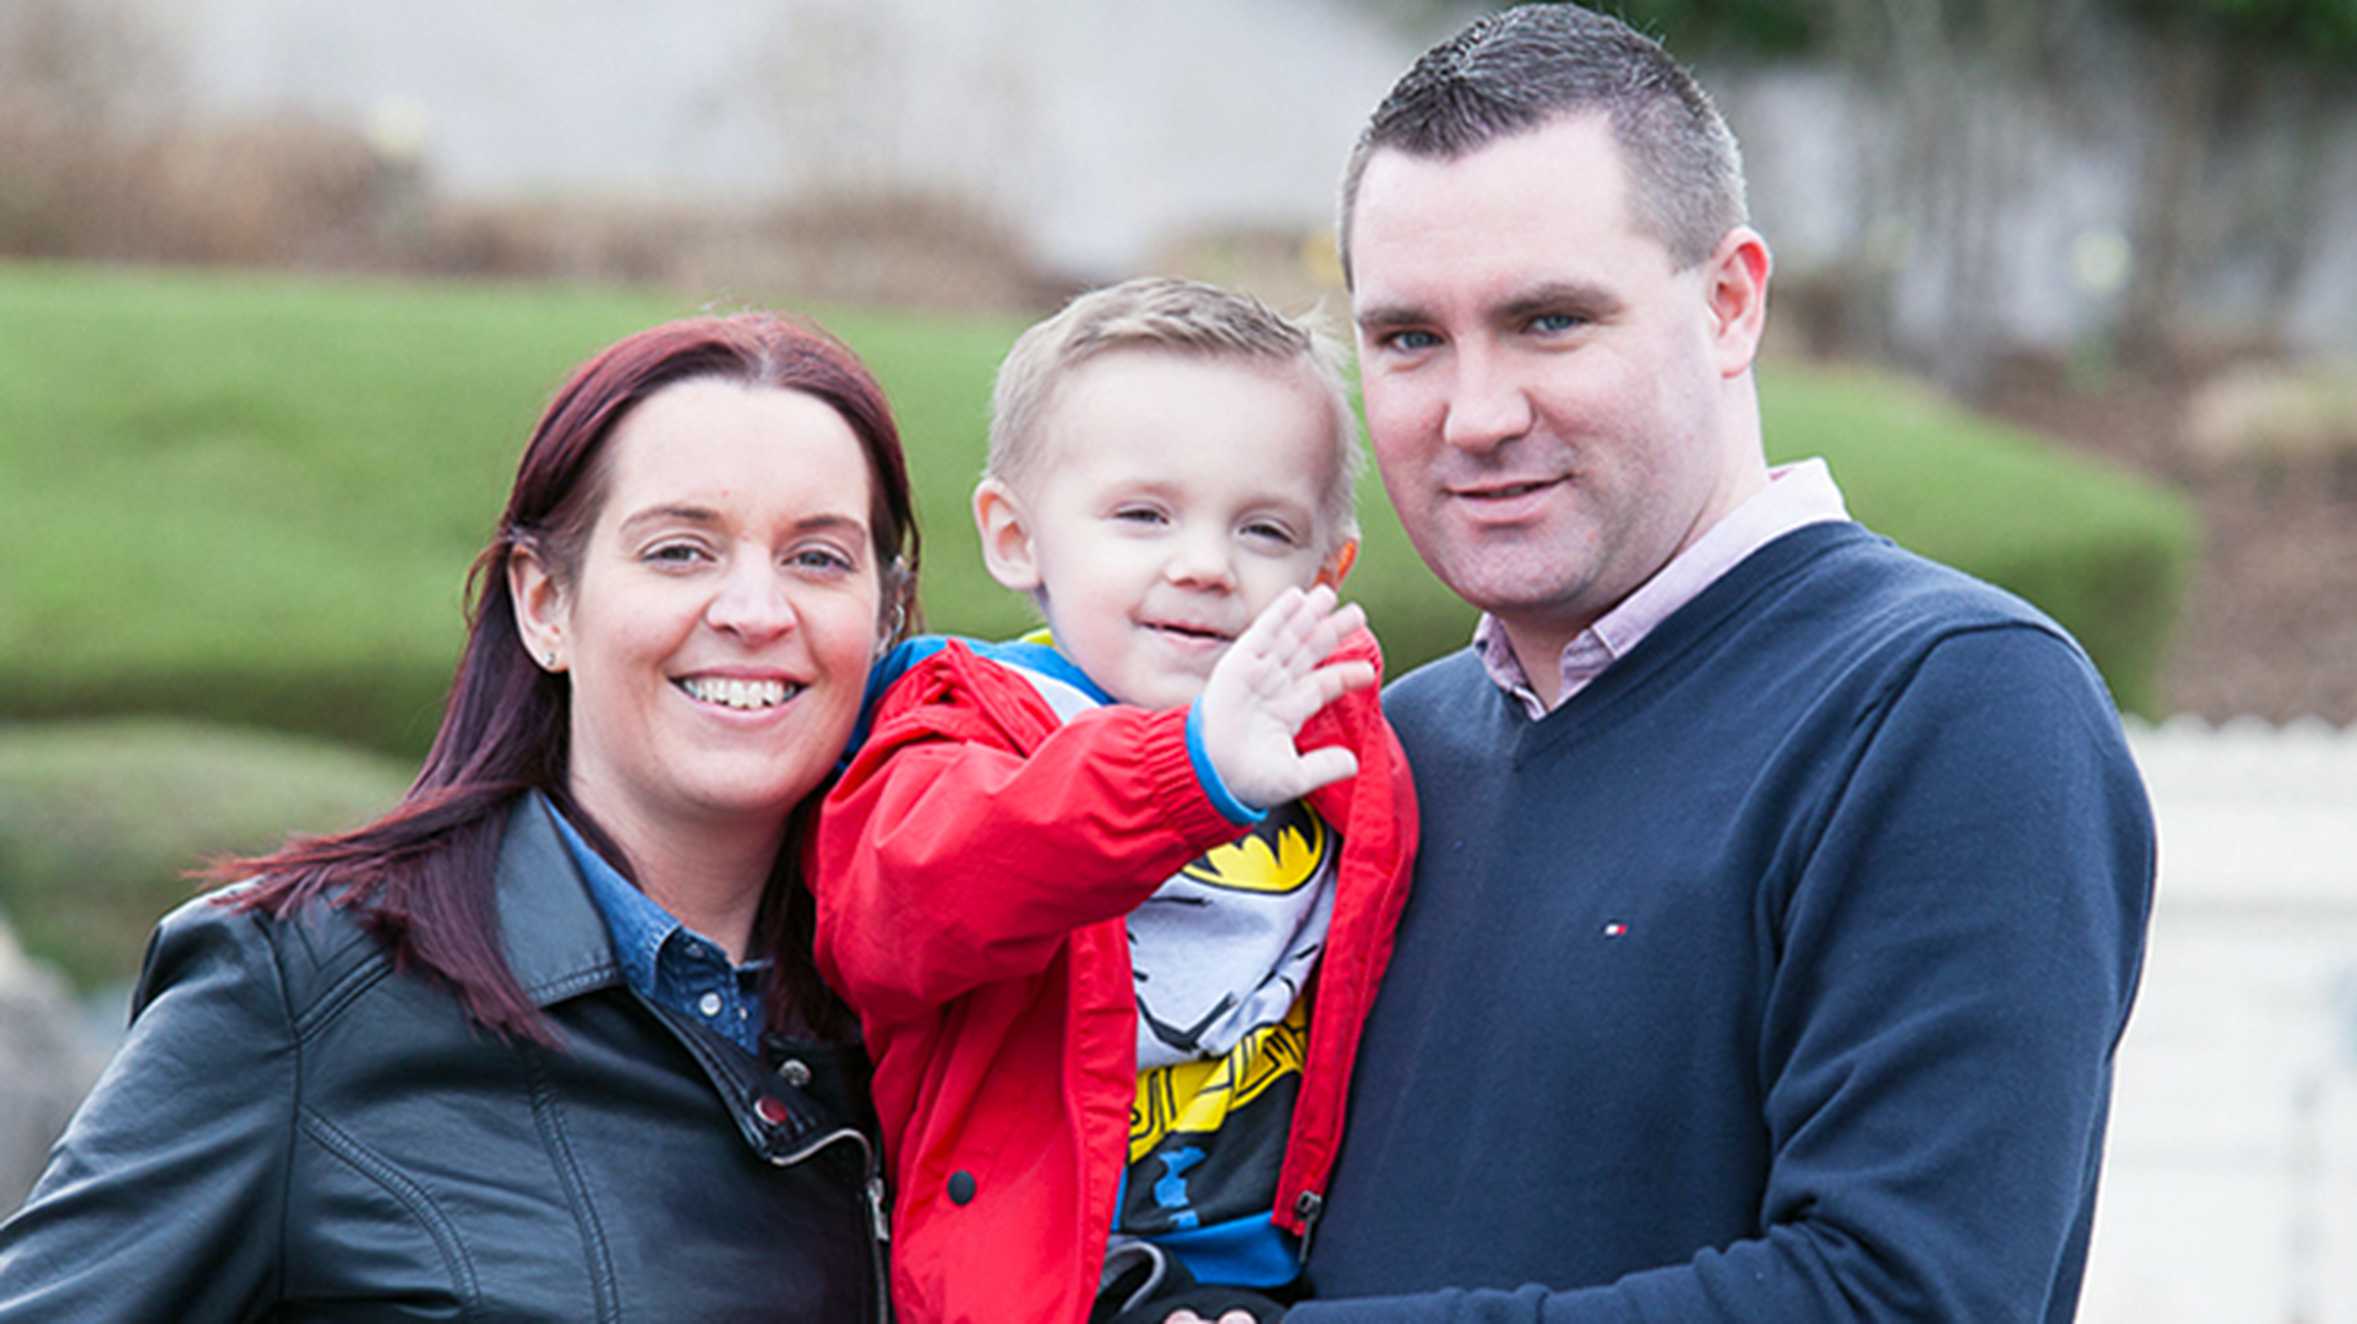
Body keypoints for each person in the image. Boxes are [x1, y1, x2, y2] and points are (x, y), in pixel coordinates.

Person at [1269, 6, 2157, 1322]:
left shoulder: (1948, 705)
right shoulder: (1387, 749)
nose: (1474, 414)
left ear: (1730, 300)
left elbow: (1901, 1297)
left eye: (1550, 320)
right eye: (1408, 339)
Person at [0, 313, 920, 1321]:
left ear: (885, 616)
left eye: (818, 559)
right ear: (543, 604)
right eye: (678, 550)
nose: (755, 610)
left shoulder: (968, 999)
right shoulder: (304, 992)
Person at [813, 278, 1418, 1324]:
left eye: (1263, 531)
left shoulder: (1348, 754)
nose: (1201, 566)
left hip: (1269, 1278)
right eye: (1142, 515)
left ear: (1328, 570)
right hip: (1029, 1277)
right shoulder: (964, 721)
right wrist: (1190, 773)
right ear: (1015, 536)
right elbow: (897, 913)